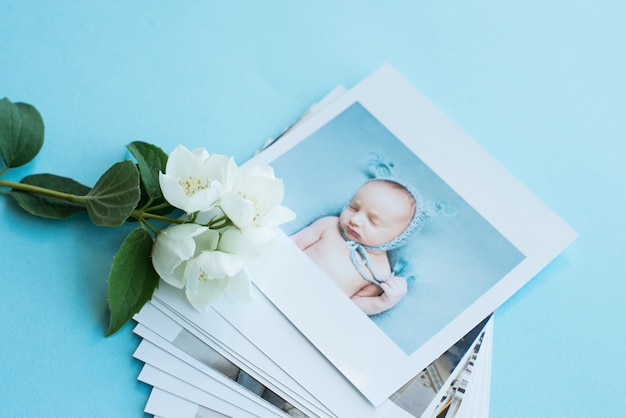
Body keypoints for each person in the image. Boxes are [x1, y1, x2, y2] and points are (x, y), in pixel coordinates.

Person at [291, 178, 429, 315]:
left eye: (373, 221)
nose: (355, 220)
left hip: (313, 310)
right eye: (354, 208)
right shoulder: (329, 226)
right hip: (287, 276)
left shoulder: (380, 271)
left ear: (397, 237)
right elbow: (293, 243)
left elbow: (353, 305)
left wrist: (382, 303)